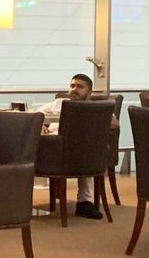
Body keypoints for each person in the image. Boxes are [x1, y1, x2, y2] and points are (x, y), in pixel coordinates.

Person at [37, 73, 113, 220]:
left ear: (89, 92)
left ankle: (84, 202)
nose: (74, 89)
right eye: (72, 86)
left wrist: (91, 119)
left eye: (80, 87)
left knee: (85, 147)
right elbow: (36, 113)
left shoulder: (94, 107)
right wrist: (42, 125)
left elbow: (114, 123)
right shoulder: (60, 103)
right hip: (54, 147)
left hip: (79, 149)